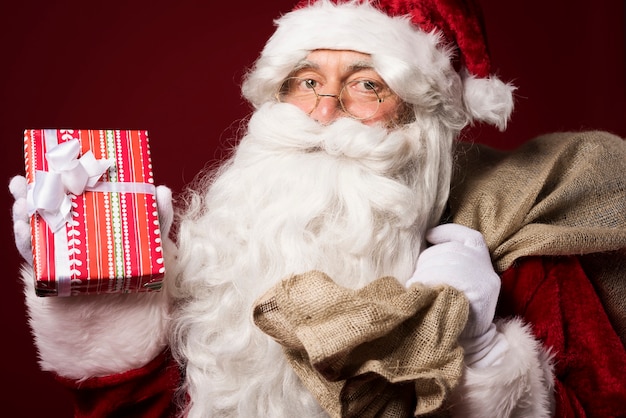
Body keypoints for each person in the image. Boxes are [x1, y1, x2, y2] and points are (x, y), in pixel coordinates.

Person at [10, 0, 626, 416]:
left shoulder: (512, 238)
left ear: (424, 121)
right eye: (306, 81)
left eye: (366, 84)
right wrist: (108, 301)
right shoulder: (220, 248)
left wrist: (483, 356)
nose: (324, 110)